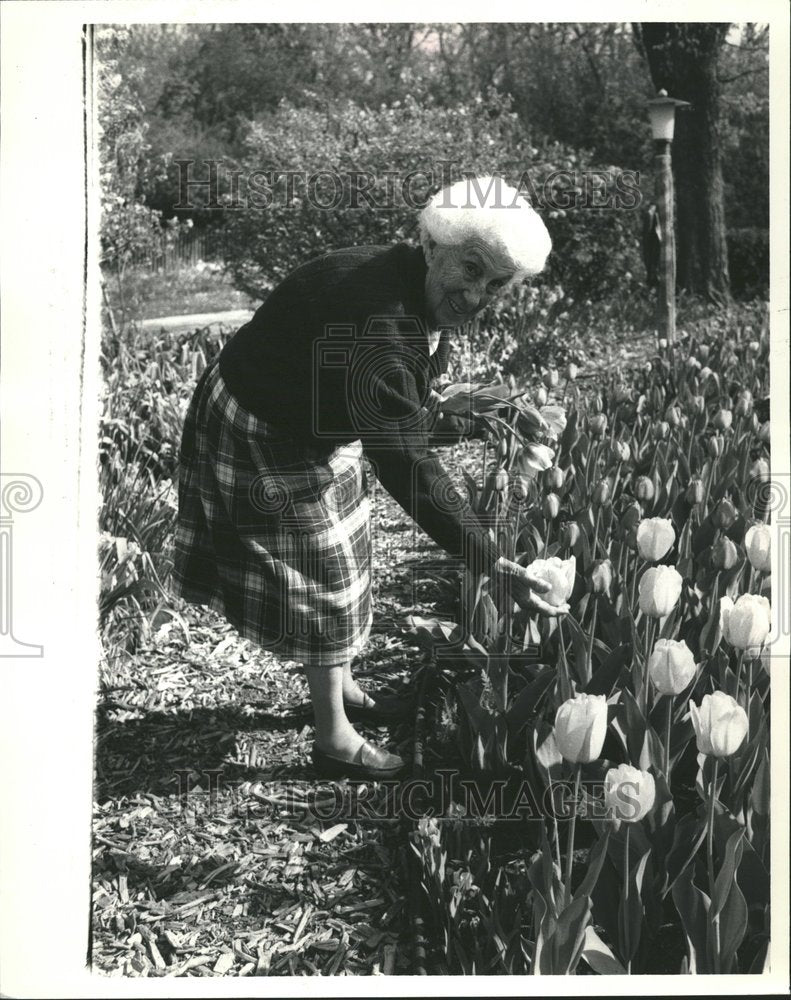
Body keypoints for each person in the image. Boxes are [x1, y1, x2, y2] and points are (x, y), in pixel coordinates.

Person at [172, 175, 567, 780]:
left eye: (496, 284)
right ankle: (332, 738)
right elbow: (405, 460)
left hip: (312, 415)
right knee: (325, 578)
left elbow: (402, 411)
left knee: (350, 551)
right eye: (470, 270)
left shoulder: (409, 282)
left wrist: (469, 413)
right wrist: (492, 560)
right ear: (432, 245)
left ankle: (342, 688)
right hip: (263, 423)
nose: (475, 295)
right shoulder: (382, 318)